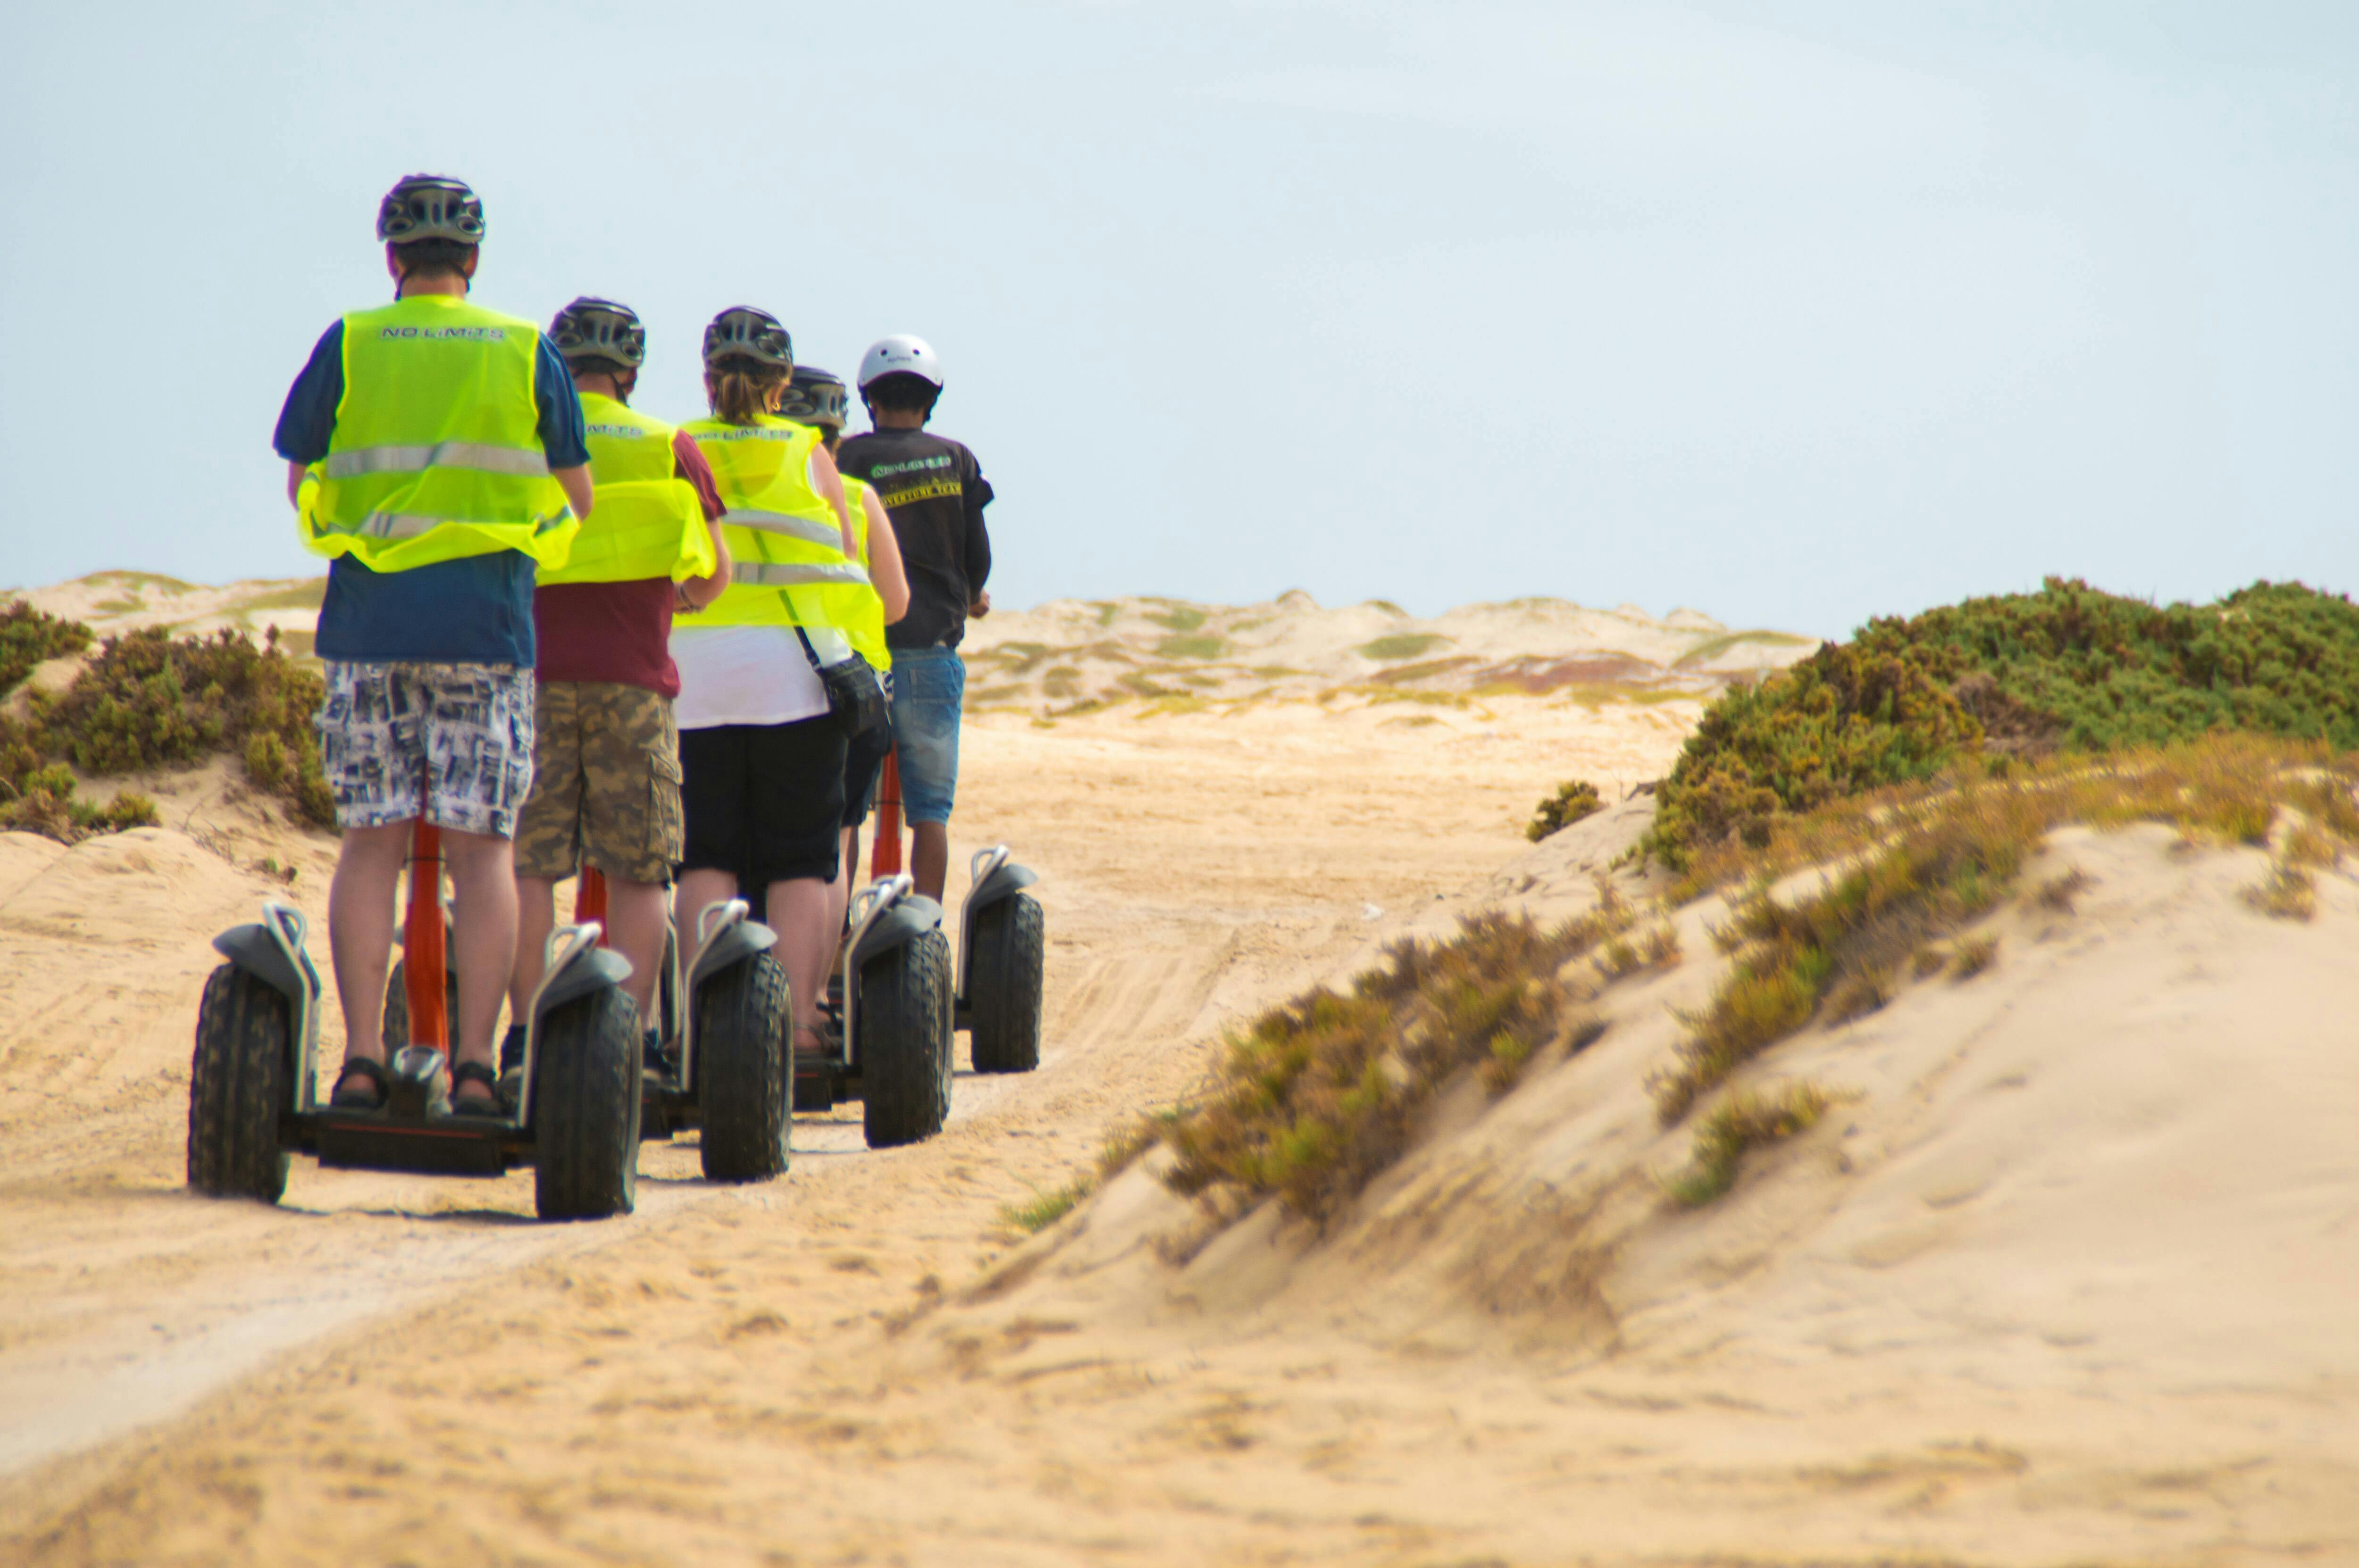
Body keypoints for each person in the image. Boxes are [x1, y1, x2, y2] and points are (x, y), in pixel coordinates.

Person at [270, 174, 591, 1115]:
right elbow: (576, 500)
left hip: (369, 628)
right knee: (483, 850)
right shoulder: (524, 348)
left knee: (370, 842)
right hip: (485, 631)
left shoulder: (351, 341)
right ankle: (478, 1069)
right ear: (476, 262)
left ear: (392, 260)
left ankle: (364, 1062)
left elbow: (301, 481)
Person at [503, 298, 733, 1082]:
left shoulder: (531, 440)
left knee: (529, 866)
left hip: (533, 679)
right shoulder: (666, 443)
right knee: (640, 871)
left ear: (560, 367)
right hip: (633, 683)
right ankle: (625, 1041)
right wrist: (678, 601)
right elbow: (714, 572)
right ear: (630, 370)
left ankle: (526, 1032)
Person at [671, 308, 870, 1064]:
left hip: (698, 678)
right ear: (784, 385)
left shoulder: (682, 447)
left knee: (706, 853)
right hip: (794, 678)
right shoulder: (808, 450)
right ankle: (796, 1026)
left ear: (707, 378)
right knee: (799, 857)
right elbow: (845, 558)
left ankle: (701, 1025)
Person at [835, 335, 994, 903]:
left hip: (858, 657)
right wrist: (973, 596)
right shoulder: (956, 458)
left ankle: (832, 946)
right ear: (931, 400)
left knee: (846, 812)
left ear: (868, 400)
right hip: (929, 652)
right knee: (930, 813)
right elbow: (977, 554)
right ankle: (924, 928)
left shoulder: (846, 459)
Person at [775, 365, 910, 941]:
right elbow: (897, 603)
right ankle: (822, 970)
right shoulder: (857, 497)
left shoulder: (755, 494)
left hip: (769, 684)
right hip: (852, 693)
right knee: (835, 843)